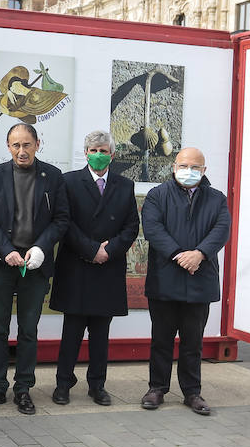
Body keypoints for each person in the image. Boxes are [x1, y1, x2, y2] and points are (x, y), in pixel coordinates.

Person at [0, 123, 69, 414]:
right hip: (2, 263)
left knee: (29, 329)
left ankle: (23, 389)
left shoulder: (53, 177)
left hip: (35, 263)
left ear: (37, 144)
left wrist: (41, 247)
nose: (21, 151)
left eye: (26, 144)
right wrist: (6, 251)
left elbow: (61, 219)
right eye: (15, 145)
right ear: (8, 147)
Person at [49, 130, 141, 406]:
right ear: (85, 152)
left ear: (112, 155)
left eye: (103, 150)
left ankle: (97, 385)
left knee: (101, 334)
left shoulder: (124, 186)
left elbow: (131, 227)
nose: (98, 155)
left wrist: (108, 251)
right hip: (77, 266)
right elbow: (64, 222)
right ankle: (63, 383)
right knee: (71, 332)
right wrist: (91, 250)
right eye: (93, 150)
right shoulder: (69, 182)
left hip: (108, 269)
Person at [140, 146, 231, 416]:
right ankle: (157, 388)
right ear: (173, 167)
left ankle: (192, 392)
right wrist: (180, 255)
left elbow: (221, 229)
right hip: (166, 278)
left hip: (199, 280)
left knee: (193, 341)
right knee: (161, 339)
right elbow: (153, 228)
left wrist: (200, 254)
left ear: (204, 170)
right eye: (183, 165)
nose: (188, 171)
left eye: (195, 167)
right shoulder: (158, 196)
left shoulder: (216, 199)